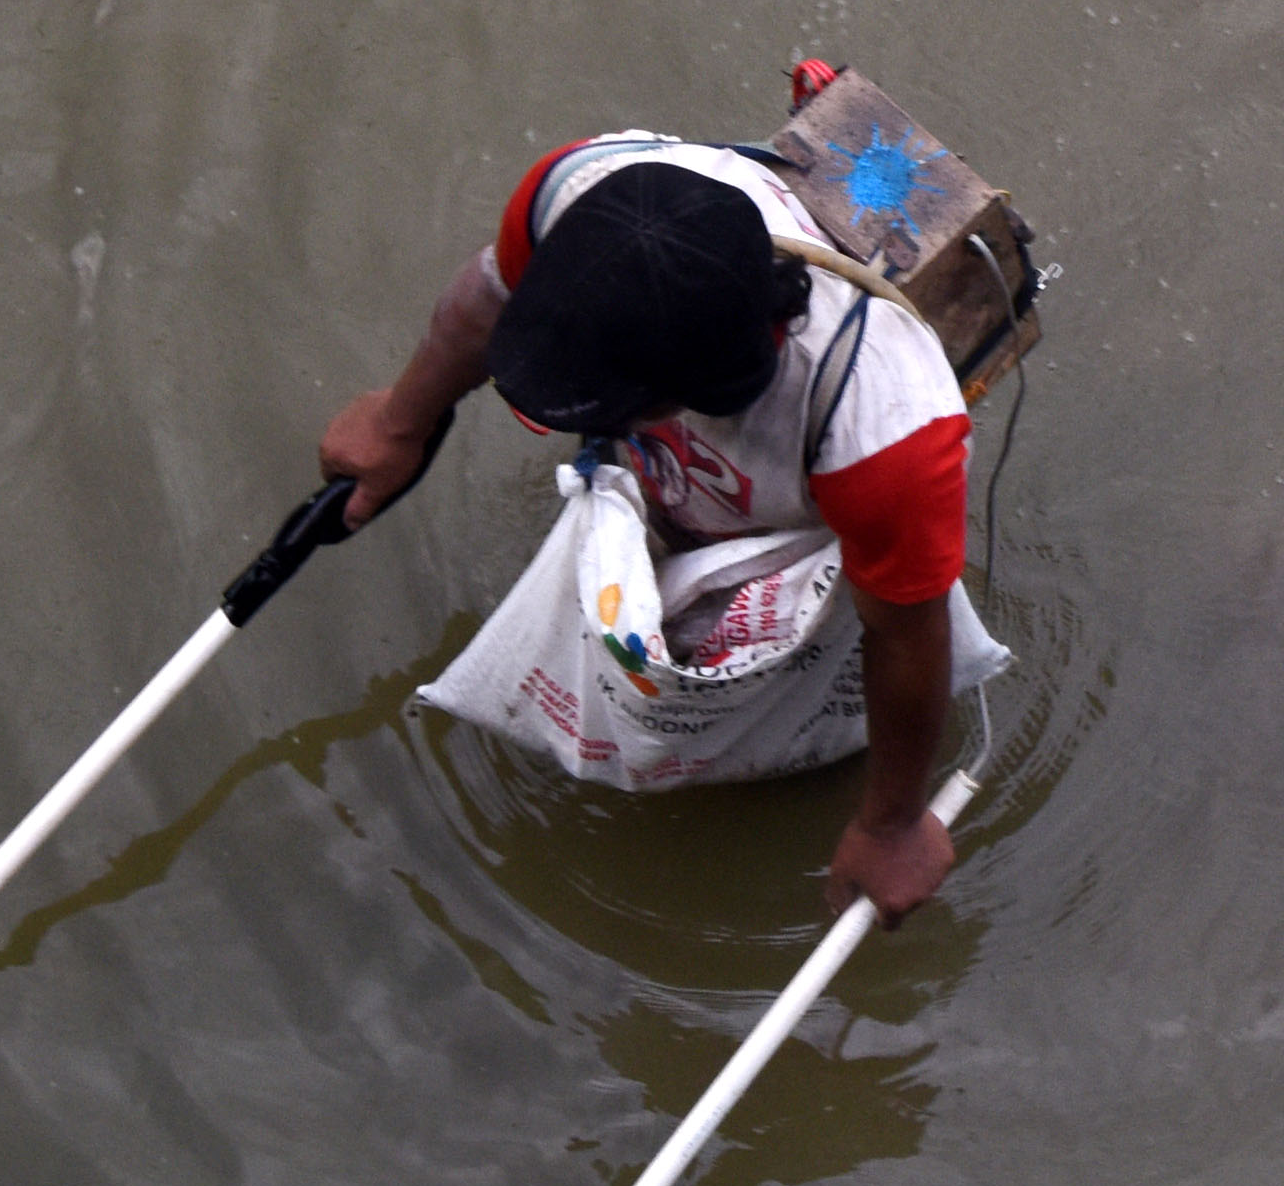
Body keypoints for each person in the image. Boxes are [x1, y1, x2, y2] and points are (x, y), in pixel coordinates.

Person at [322, 133, 976, 919]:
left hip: (813, 495)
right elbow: (490, 294)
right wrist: (401, 422)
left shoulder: (882, 430)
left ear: (700, 394)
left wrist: (893, 819)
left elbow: (907, 631)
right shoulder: (576, 192)